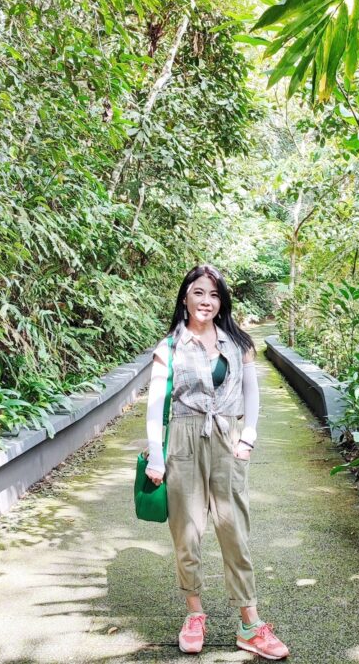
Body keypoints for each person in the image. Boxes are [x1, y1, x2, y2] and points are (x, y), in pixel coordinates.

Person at [144, 265, 288, 658]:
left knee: (234, 531)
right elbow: (156, 405)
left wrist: (249, 438)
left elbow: (251, 392)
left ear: (221, 301)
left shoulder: (237, 343)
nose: (206, 301)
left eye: (214, 294)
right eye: (198, 293)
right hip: (184, 440)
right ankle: (194, 614)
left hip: (227, 437)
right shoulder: (169, 347)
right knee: (187, 533)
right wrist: (157, 457)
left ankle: (250, 624)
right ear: (185, 298)